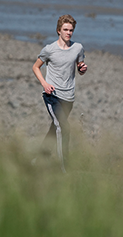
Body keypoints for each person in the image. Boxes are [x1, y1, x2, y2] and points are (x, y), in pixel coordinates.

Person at [32, 14, 87, 172]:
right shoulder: (49, 50)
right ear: (58, 31)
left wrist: (83, 69)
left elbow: (80, 66)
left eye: (71, 30)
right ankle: (65, 169)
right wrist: (44, 83)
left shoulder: (78, 48)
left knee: (54, 128)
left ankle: (38, 159)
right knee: (64, 128)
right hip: (52, 96)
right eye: (65, 30)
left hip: (69, 97)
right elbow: (35, 67)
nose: (69, 33)